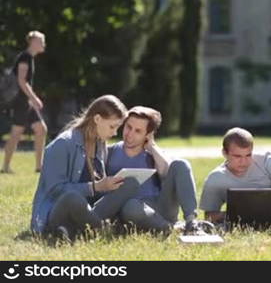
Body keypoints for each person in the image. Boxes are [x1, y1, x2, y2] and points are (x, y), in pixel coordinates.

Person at [31, 95, 139, 241]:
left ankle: (78, 229)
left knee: (130, 183)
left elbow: (99, 192)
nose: (115, 133)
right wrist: (94, 187)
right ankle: (101, 230)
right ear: (97, 119)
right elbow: (54, 190)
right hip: (58, 211)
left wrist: (109, 186)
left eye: (117, 127)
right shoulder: (62, 144)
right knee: (72, 198)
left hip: (89, 209)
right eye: (112, 126)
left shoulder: (100, 144)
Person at [106, 106, 210, 235]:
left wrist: (152, 147)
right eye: (128, 127)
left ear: (148, 134)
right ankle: (173, 228)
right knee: (131, 206)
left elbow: (166, 172)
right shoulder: (109, 152)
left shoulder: (155, 154)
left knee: (181, 164)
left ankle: (191, 223)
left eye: (138, 131)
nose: (129, 134)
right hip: (131, 211)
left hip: (161, 207)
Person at [2, 31, 47, 173]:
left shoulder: (29, 58)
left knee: (40, 129)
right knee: (17, 132)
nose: (43, 44)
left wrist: (31, 99)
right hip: (21, 102)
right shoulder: (25, 57)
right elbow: (22, 80)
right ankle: (5, 167)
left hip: (26, 101)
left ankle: (39, 167)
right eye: (41, 41)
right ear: (33, 41)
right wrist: (34, 98)